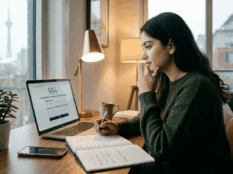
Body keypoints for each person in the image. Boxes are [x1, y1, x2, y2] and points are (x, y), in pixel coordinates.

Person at [94, 12, 233, 174]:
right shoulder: (167, 80)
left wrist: (146, 94)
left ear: (171, 46)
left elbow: (161, 148)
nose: (142, 55)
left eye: (148, 46)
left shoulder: (196, 87)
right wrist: (119, 127)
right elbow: (153, 118)